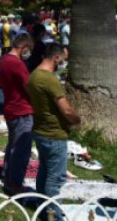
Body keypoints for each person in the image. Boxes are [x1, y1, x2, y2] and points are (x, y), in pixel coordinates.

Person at [28, 43, 81, 220]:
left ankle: (43, 209)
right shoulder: (50, 79)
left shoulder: (34, 75)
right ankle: (53, 216)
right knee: (55, 179)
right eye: (63, 60)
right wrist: (77, 120)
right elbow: (66, 110)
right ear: (56, 58)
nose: (63, 64)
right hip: (54, 133)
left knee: (45, 172)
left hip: (41, 130)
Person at [0, 33, 34, 194]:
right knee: (21, 149)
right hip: (22, 109)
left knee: (13, 145)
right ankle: (15, 183)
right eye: (29, 50)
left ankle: (7, 176)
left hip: (11, 107)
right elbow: (28, 87)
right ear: (24, 47)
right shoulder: (17, 64)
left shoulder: (4, 59)